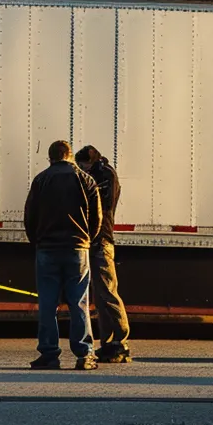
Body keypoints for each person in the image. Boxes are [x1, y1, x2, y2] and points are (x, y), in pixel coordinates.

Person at [22, 140, 104, 371]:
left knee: (47, 304)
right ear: (69, 156)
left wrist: (37, 241)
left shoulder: (40, 180)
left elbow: (30, 216)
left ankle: (49, 354)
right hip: (77, 248)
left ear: (50, 158)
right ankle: (84, 355)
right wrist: (87, 239)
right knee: (79, 303)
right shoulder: (86, 180)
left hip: (47, 249)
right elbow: (96, 217)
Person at [76, 145, 132, 363]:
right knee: (101, 296)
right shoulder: (103, 174)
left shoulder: (103, 175)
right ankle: (109, 343)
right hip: (98, 239)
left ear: (89, 162)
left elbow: (101, 208)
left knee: (107, 292)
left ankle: (120, 342)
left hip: (101, 239)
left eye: (83, 166)